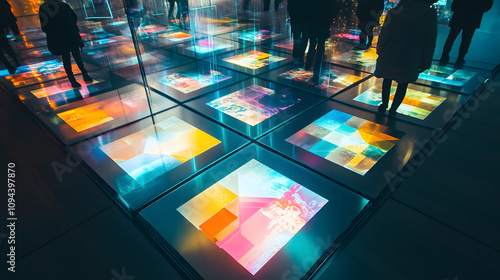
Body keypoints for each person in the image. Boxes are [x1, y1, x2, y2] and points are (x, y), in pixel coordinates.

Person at [374, 0, 437, 116]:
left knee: (386, 79)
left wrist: (380, 50)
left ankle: (384, 104)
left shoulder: (394, 12)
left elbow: (385, 33)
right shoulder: (429, 14)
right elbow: (430, 41)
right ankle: (393, 109)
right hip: (412, 55)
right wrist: (426, 61)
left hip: (390, 52)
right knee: (403, 84)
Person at [39, 0, 92, 88]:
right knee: (76, 55)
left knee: (66, 57)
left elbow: (45, 26)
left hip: (59, 37)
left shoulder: (44, 7)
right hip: (70, 34)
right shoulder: (63, 5)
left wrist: (54, 33)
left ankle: (72, 79)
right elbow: (74, 17)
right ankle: (84, 74)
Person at [440, 0, 493, 65]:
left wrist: (457, 8)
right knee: (466, 40)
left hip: (459, 16)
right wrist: (478, 10)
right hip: (473, 18)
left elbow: (454, 5)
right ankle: (460, 58)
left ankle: (444, 55)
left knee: (451, 37)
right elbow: (488, 4)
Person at [304, 0, 339, 84]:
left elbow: (308, 9)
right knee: (320, 45)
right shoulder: (329, 3)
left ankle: (309, 63)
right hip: (323, 25)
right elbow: (333, 11)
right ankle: (318, 63)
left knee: (312, 44)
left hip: (313, 24)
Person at [287, 0, 309, 66]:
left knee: (297, 39)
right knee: (304, 38)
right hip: (305, 21)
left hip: (296, 20)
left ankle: (296, 56)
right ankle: (300, 56)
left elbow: (289, 8)